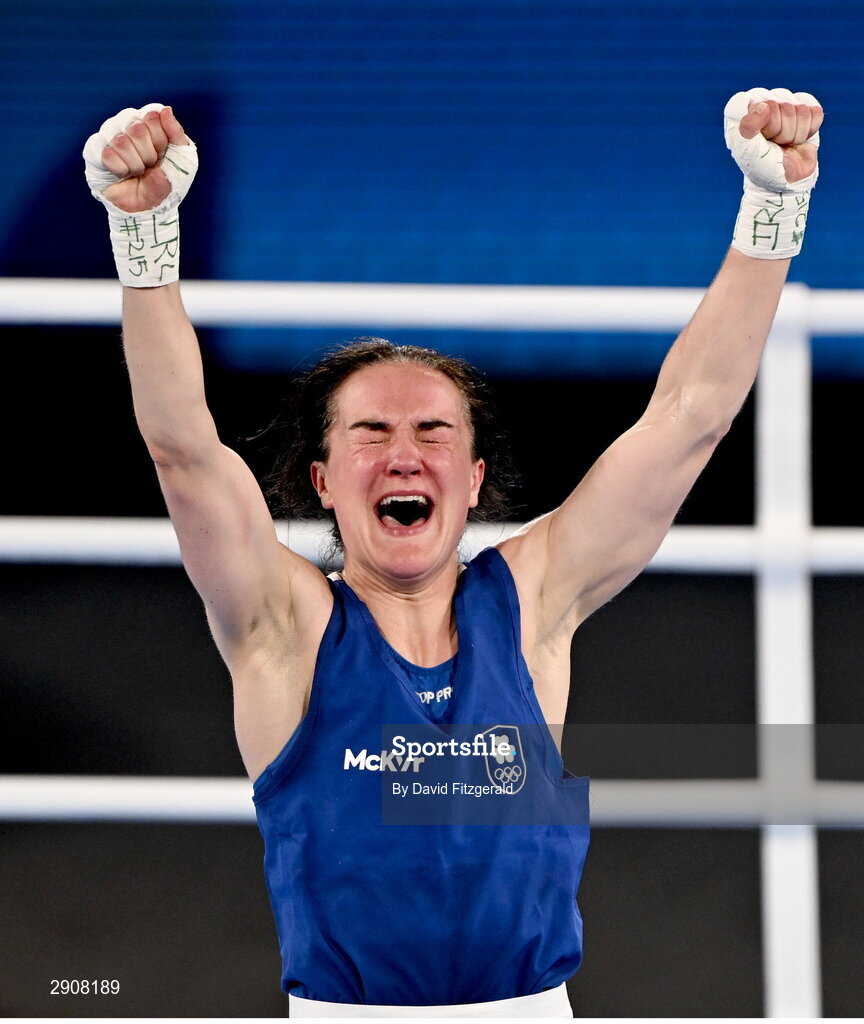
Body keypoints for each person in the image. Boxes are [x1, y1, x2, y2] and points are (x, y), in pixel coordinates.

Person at [83, 88, 822, 1017]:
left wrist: (773, 211)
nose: (404, 452)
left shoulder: (535, 598)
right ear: (321, 482)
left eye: (434, 430)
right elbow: (184, 448)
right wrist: (144, 236)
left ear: (473, 481)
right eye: (372, 431)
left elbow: (689, 419)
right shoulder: (287, 626)